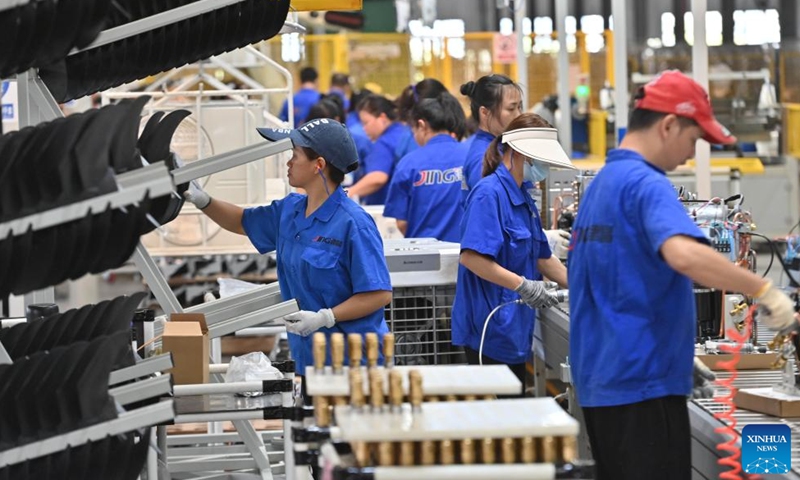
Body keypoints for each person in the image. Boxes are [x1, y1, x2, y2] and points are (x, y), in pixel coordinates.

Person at [567, 70, 798, 480]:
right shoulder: (646, 184)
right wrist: (764, 290)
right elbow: (685, 255)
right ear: (668, 124)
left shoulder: (604, 184)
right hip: (642, 388)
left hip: (605, 382)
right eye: (693, 140)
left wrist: (676, 354)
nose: (690, 155)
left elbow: (613, 284)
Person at [183, 119, 393, 388]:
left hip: (354, 365)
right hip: (309, 359)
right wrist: (203, 201)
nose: (288, 163)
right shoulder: (290, 211)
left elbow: (379, 294)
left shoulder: (354, 224)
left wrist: (325, 317)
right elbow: (241, 221)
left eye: (295, 156)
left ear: (319, 165)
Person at [451, 113, 569, 393]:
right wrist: (523, 285)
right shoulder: (489, 194)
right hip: (488, 329)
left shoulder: (522, 196)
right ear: (518, 152)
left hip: (513, 330)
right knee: (496, 423)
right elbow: (472, 257)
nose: (543, 168)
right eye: (539, 159)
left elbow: (542, 257)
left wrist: (582, 287)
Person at [460, 74, 571, 256]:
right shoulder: (484, 158)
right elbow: (489, 231)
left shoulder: (505, 149)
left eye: (520, 107)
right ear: (485, 112)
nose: (518, 115)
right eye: (511, 109)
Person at [383, 92, 467, 242]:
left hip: (424, 257)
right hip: (468, 254)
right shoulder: (471, 157)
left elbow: (402, 222)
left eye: (413, 131)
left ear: (422, 125)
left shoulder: (408, 164)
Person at [347, 94, 417, 205]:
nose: (364, 129)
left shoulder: (384, 142)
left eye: (366, 123)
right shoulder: (405, 132)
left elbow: (377, 177)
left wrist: (347, 193)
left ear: (382, 118)